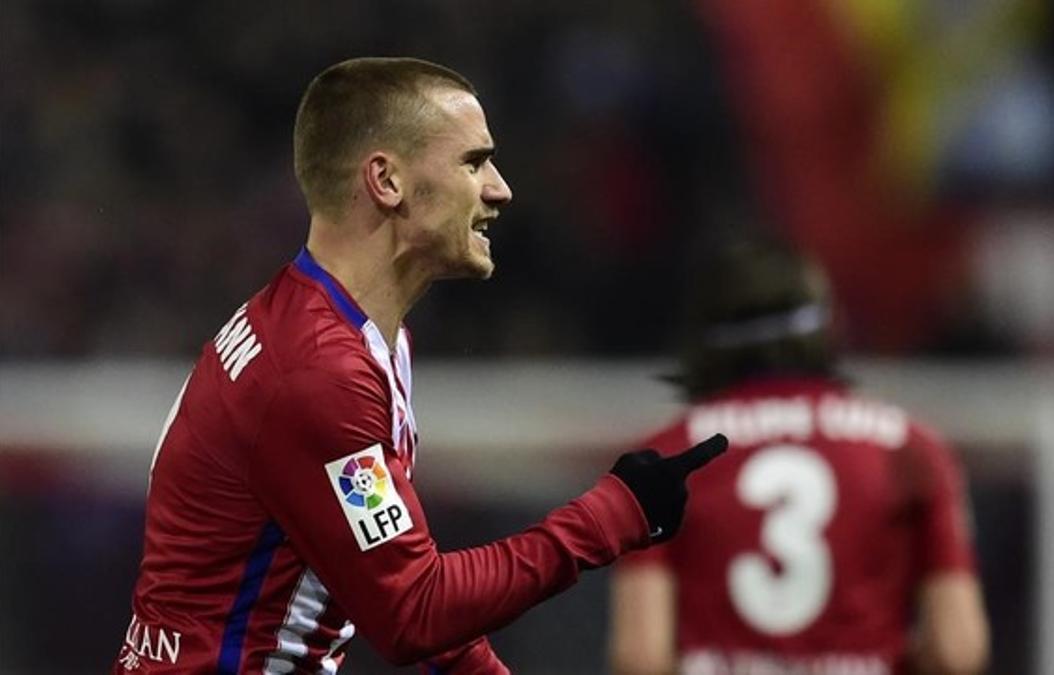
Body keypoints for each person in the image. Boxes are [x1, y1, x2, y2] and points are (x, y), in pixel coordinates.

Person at [112, 56, 727, 674]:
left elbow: (398, 582)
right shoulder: (318, 372)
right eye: (474, 161)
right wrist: (613, 515)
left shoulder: (352, 337)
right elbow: (413, 611)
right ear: (386, 180)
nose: (499, 188)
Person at [608, 230, 989, 675]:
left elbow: (642, 656)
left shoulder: (665, 458)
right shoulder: (910, 450)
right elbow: (956, 650)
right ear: (828, 326)